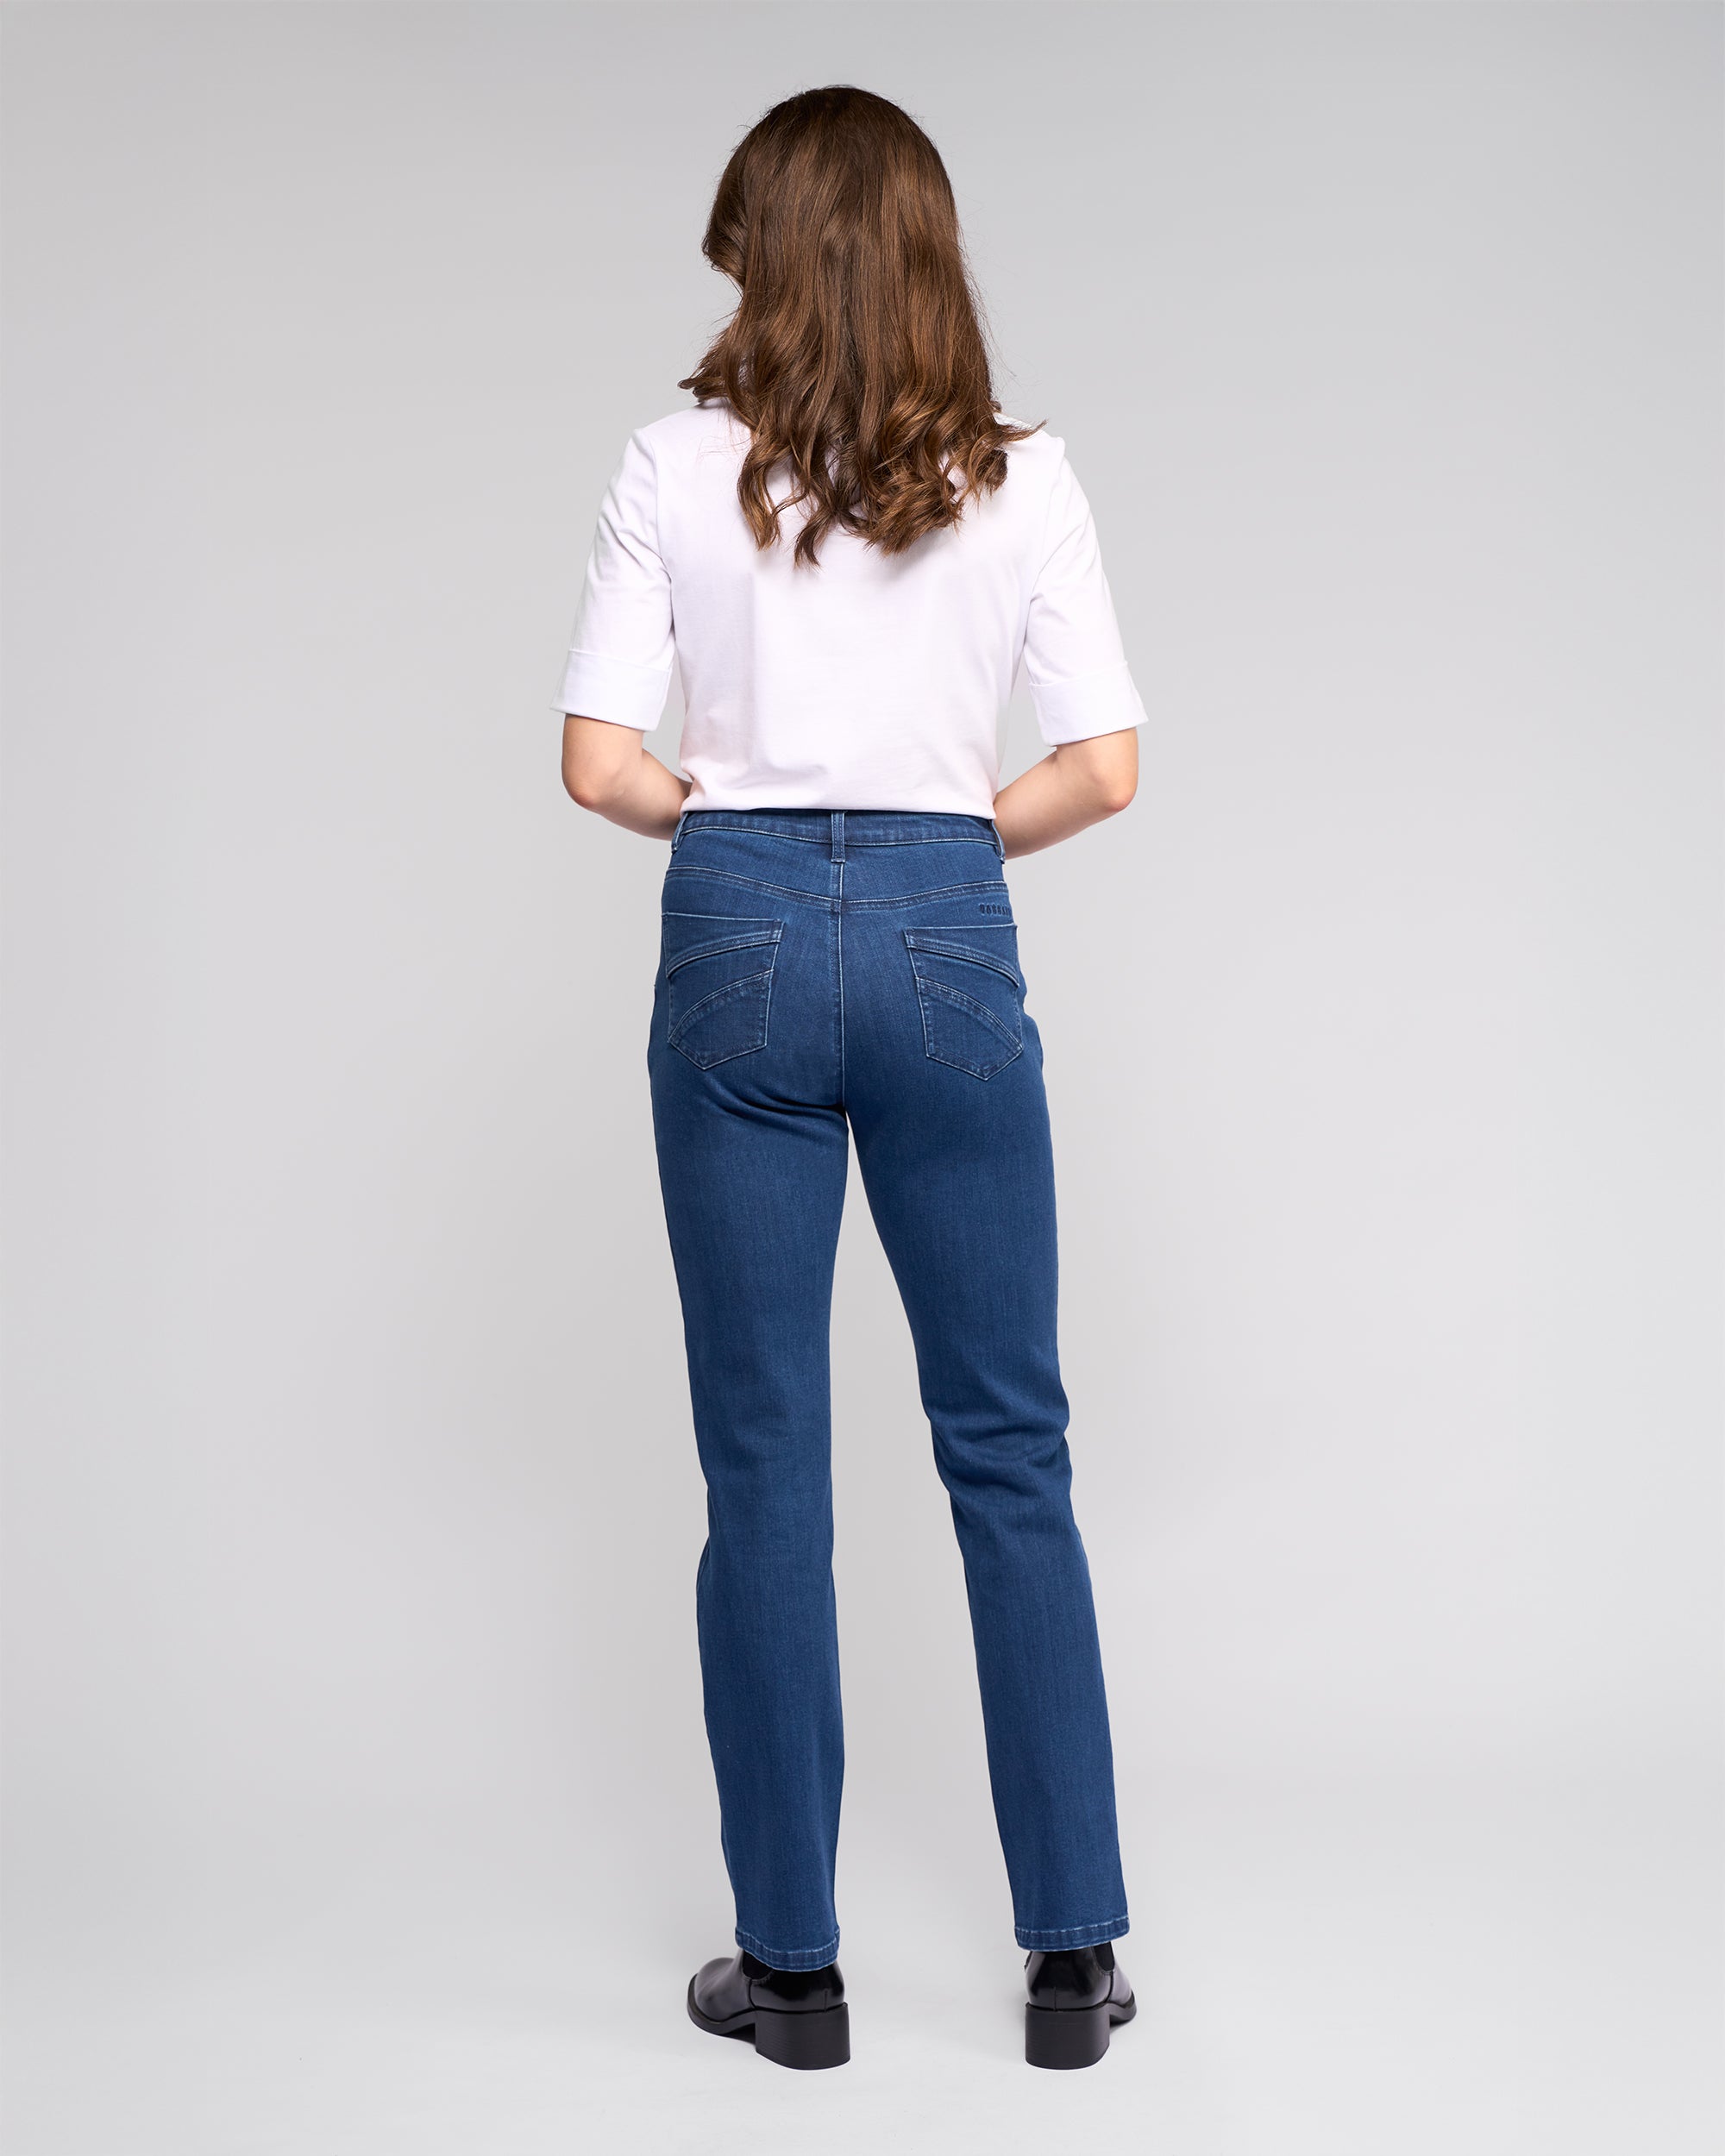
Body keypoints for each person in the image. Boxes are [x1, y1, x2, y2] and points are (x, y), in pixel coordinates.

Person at [555, 85, 1142, 2072]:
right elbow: (1103, 768)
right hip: (944, 916)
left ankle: (790, 1973)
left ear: (765, 259)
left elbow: (597, 761)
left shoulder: (669, 464)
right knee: (1010, 1447)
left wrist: (740, 829)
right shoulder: (1023, 477)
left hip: (730, 923)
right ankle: (1070, 1958)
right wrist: (929, 850)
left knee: (765, 1461)